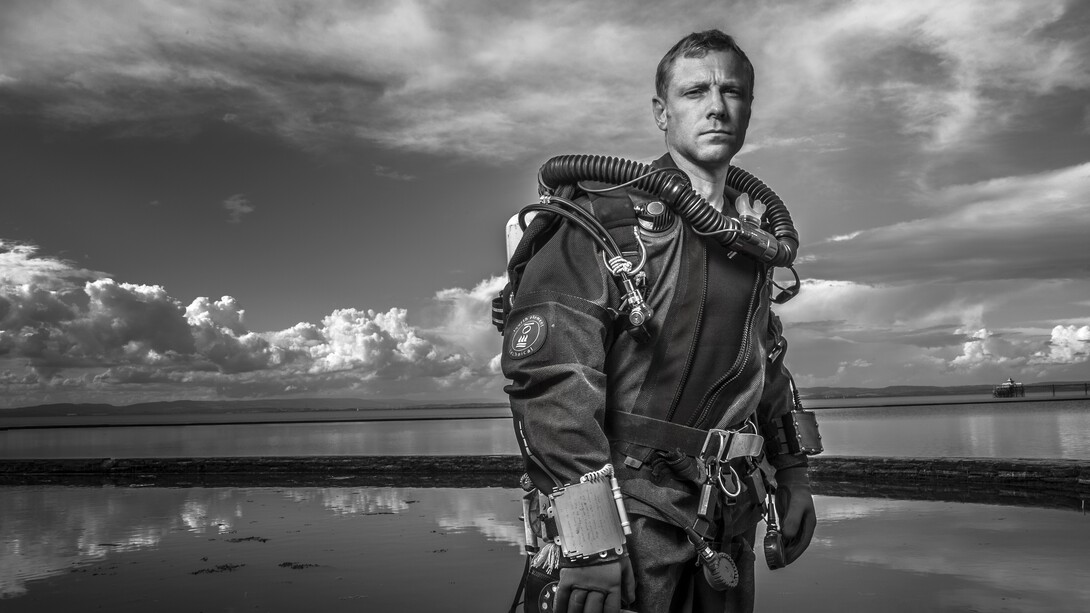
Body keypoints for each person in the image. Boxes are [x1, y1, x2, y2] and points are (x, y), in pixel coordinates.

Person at [502, 29, 817, 613]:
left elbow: (765, 367)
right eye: (695, 91)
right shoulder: (602, 224)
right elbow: (552, 387)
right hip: (630, 517)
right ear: (661, 112)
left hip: (726, 513)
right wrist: (590, 539)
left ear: (749, 107)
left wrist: (793, 475)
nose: (718, 107)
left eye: (734, 92)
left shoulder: (752, 241)